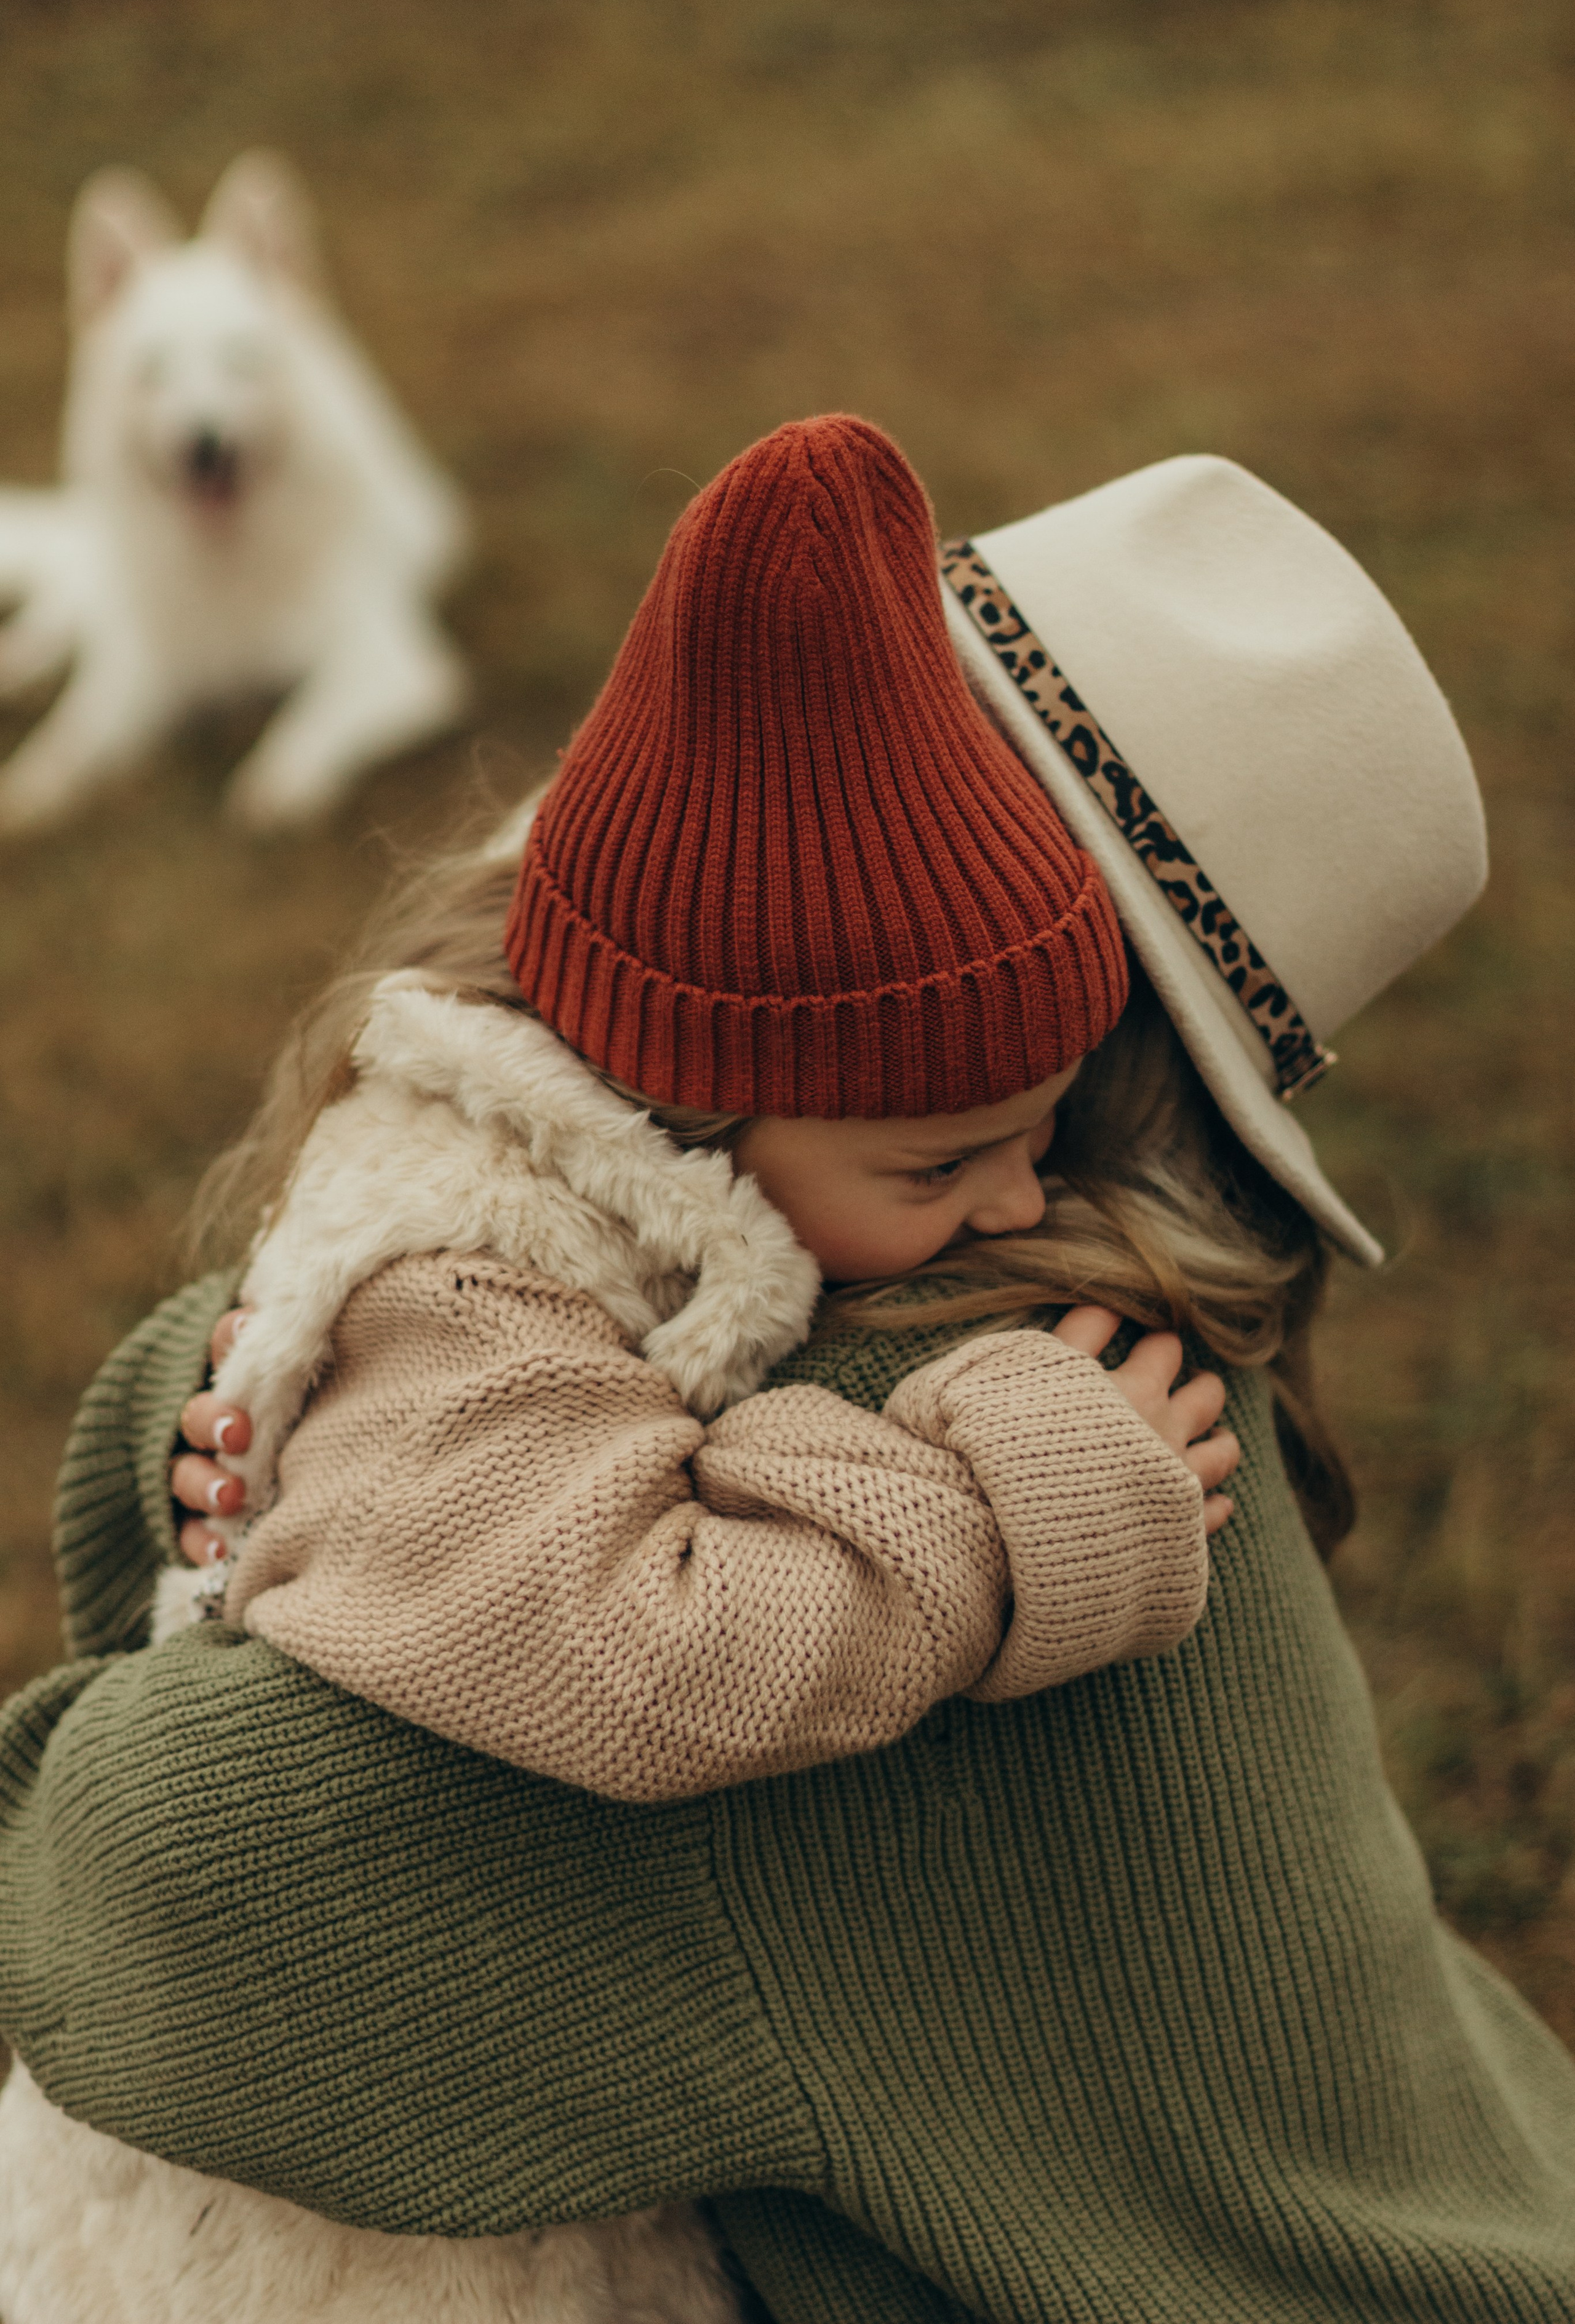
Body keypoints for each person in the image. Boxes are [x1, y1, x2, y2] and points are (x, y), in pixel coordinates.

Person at [4, 419, 1574, 2324]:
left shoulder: (932, 1409)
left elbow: (149, 1884)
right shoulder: (1049, 1302)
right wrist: (279, 1382)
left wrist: (277, 1482)